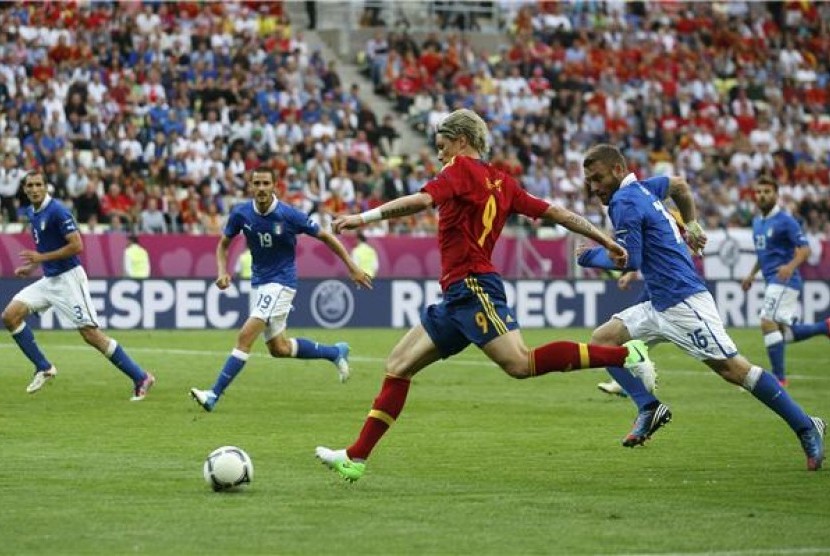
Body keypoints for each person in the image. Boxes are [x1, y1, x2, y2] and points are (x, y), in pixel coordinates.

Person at [314, 109, 655, 482]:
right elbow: (555, 212)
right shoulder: (502, 181)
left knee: (520, 364)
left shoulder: (459, 170)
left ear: (462, 141)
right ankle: (356, 457)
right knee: (398, 365)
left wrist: (362, 219)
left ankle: (626, 353)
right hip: (456, 295)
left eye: (443, 147)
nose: (440, 156)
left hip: (474, 286)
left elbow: (421, 201)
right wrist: (604, 239)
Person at [577, 144, 824, 470]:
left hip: (683, 303)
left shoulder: (624, 201)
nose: (594, 188)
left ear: (618, 170)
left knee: (736, 371)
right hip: (659, 302)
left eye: (598, 178)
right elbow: (679, 185)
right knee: (602, 341)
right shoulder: (645, 187)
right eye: (589, 181)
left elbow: (630, 259)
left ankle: (807, 425)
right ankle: (649, 408)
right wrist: (691, 224)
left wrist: (589, 256)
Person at [190, 168, 373, 412]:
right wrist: (222, 271)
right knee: (279, 348)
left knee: (245, 336)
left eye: (266, 183)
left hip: (282, 282)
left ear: (275, 185)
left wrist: (352, 267)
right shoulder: (241, 214)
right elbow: (223, 245)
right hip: (259, 283)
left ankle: (213, 394)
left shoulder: (289, 215)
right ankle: (335, 352)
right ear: (251, 186)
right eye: (257, 183)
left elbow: (326, 237)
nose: (262, 187)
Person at [1, 171, 155, 400]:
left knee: (91, 335)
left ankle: (141, 376)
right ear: (24, 189)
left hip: (69, 279)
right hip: (50, 279)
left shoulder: (57, 211)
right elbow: (44, 249)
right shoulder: (32, 213)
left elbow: (77, 246)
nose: (34, 189)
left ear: (45, 187)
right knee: (10, 316)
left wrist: (40, 260)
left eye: (38, 185)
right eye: (30, 185)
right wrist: (32, 268)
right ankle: (43, 367)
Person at [740, 176, 829, 386]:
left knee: (766, 321)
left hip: (785, 281)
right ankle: (824, 327)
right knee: (783, 332)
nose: (762, 195)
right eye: (759, 192)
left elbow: (805, 249)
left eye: (767, 191)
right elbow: (763, 253)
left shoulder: (786, 221)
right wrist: (752, 274)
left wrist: (790, 267)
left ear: (776, 195)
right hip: (772, 280)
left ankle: (779, 379)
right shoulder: (757, 222)